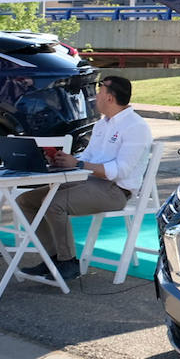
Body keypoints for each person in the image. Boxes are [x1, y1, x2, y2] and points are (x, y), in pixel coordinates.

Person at [17, 74, 152, 283]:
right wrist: (62, 159)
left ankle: (68, 262)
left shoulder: (136, 126)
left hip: (115, 191)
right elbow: (87, 158)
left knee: (53, 203)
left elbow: (121, 171)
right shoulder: (102, 124)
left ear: (109, 97)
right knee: (25, 200)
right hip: (88, 182)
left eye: (99, 91)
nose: (95, 96)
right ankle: (51, 258)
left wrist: (78, 164)